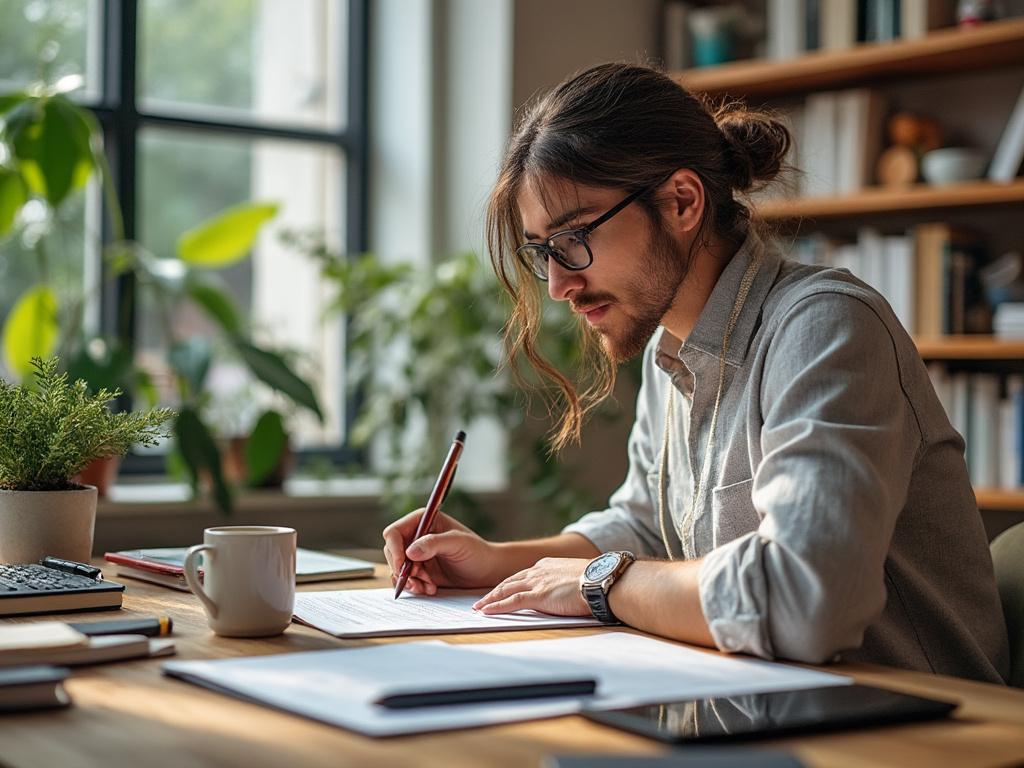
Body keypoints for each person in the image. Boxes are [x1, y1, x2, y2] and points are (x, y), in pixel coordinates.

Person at [382, 62, 1009, 683]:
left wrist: (603, 582)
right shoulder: (671, 349)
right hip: (759, 706)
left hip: (911, 727)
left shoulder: (826, 328)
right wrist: (497, 562)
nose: (557, 286)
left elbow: (804, 599)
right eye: (543, 251)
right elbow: (646, 526)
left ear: (682, 201)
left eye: (574, 238)